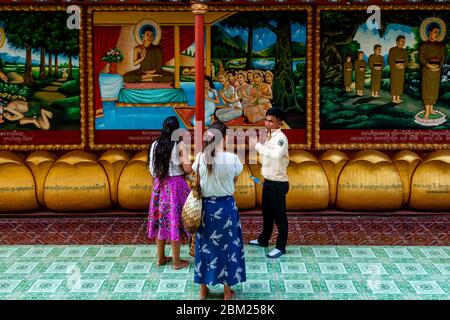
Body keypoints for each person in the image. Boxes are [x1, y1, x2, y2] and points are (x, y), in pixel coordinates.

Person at [193, 121, 246, 300]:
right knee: (228, 248)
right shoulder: (232, 159)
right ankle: (226, 293)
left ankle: (202, 291)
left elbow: (197, 180)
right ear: (225, 137)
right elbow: (234, 181)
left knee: (204, 247)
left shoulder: (201, 157)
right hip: (226, 208)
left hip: (205, 209)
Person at [147, 116, 192, 270]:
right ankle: (176, 261)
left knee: (160, 221)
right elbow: (187, 169)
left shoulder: (154, 145)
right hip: (175, 187)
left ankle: (160, 258)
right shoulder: (179, 146)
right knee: (175, 222)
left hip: (159, 186)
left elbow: (151, 169)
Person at [249, 108, 289, 259]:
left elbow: (275, 154)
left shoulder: (281, 138)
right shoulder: (269, 136)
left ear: (280, 123)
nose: (267, 123)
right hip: (268, 182)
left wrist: (258, 146)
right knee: (267, 214)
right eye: (266, 120)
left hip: (278, 183)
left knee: (280, 217)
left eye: (271, 121)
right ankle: (263, 240)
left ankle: (280, 246)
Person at [418, 24, 446, 120]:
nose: (437, 34)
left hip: (437, 70)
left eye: (438, 32)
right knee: (427, 89)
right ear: (429, 33)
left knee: (434, 89)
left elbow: (443, 57)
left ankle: (431, 110)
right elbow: (421, 58)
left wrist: (439, 67)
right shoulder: (424, 45)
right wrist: (428, 65)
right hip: (427, 70)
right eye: (435, 32)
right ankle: (426, 111)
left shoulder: (441, 45)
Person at [388, 35, 409, 104]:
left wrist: (403, 65)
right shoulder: (392, 50)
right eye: (402, 41)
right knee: (394, 83)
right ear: (397, 42)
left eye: (404, 41)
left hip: (401, 70)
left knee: (400, 83)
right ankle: (394, 98)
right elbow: (390, 60)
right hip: (394, 70)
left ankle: (398, 98)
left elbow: (406, 61)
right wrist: (395, 65)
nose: (403, 43)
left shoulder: (405, 51)